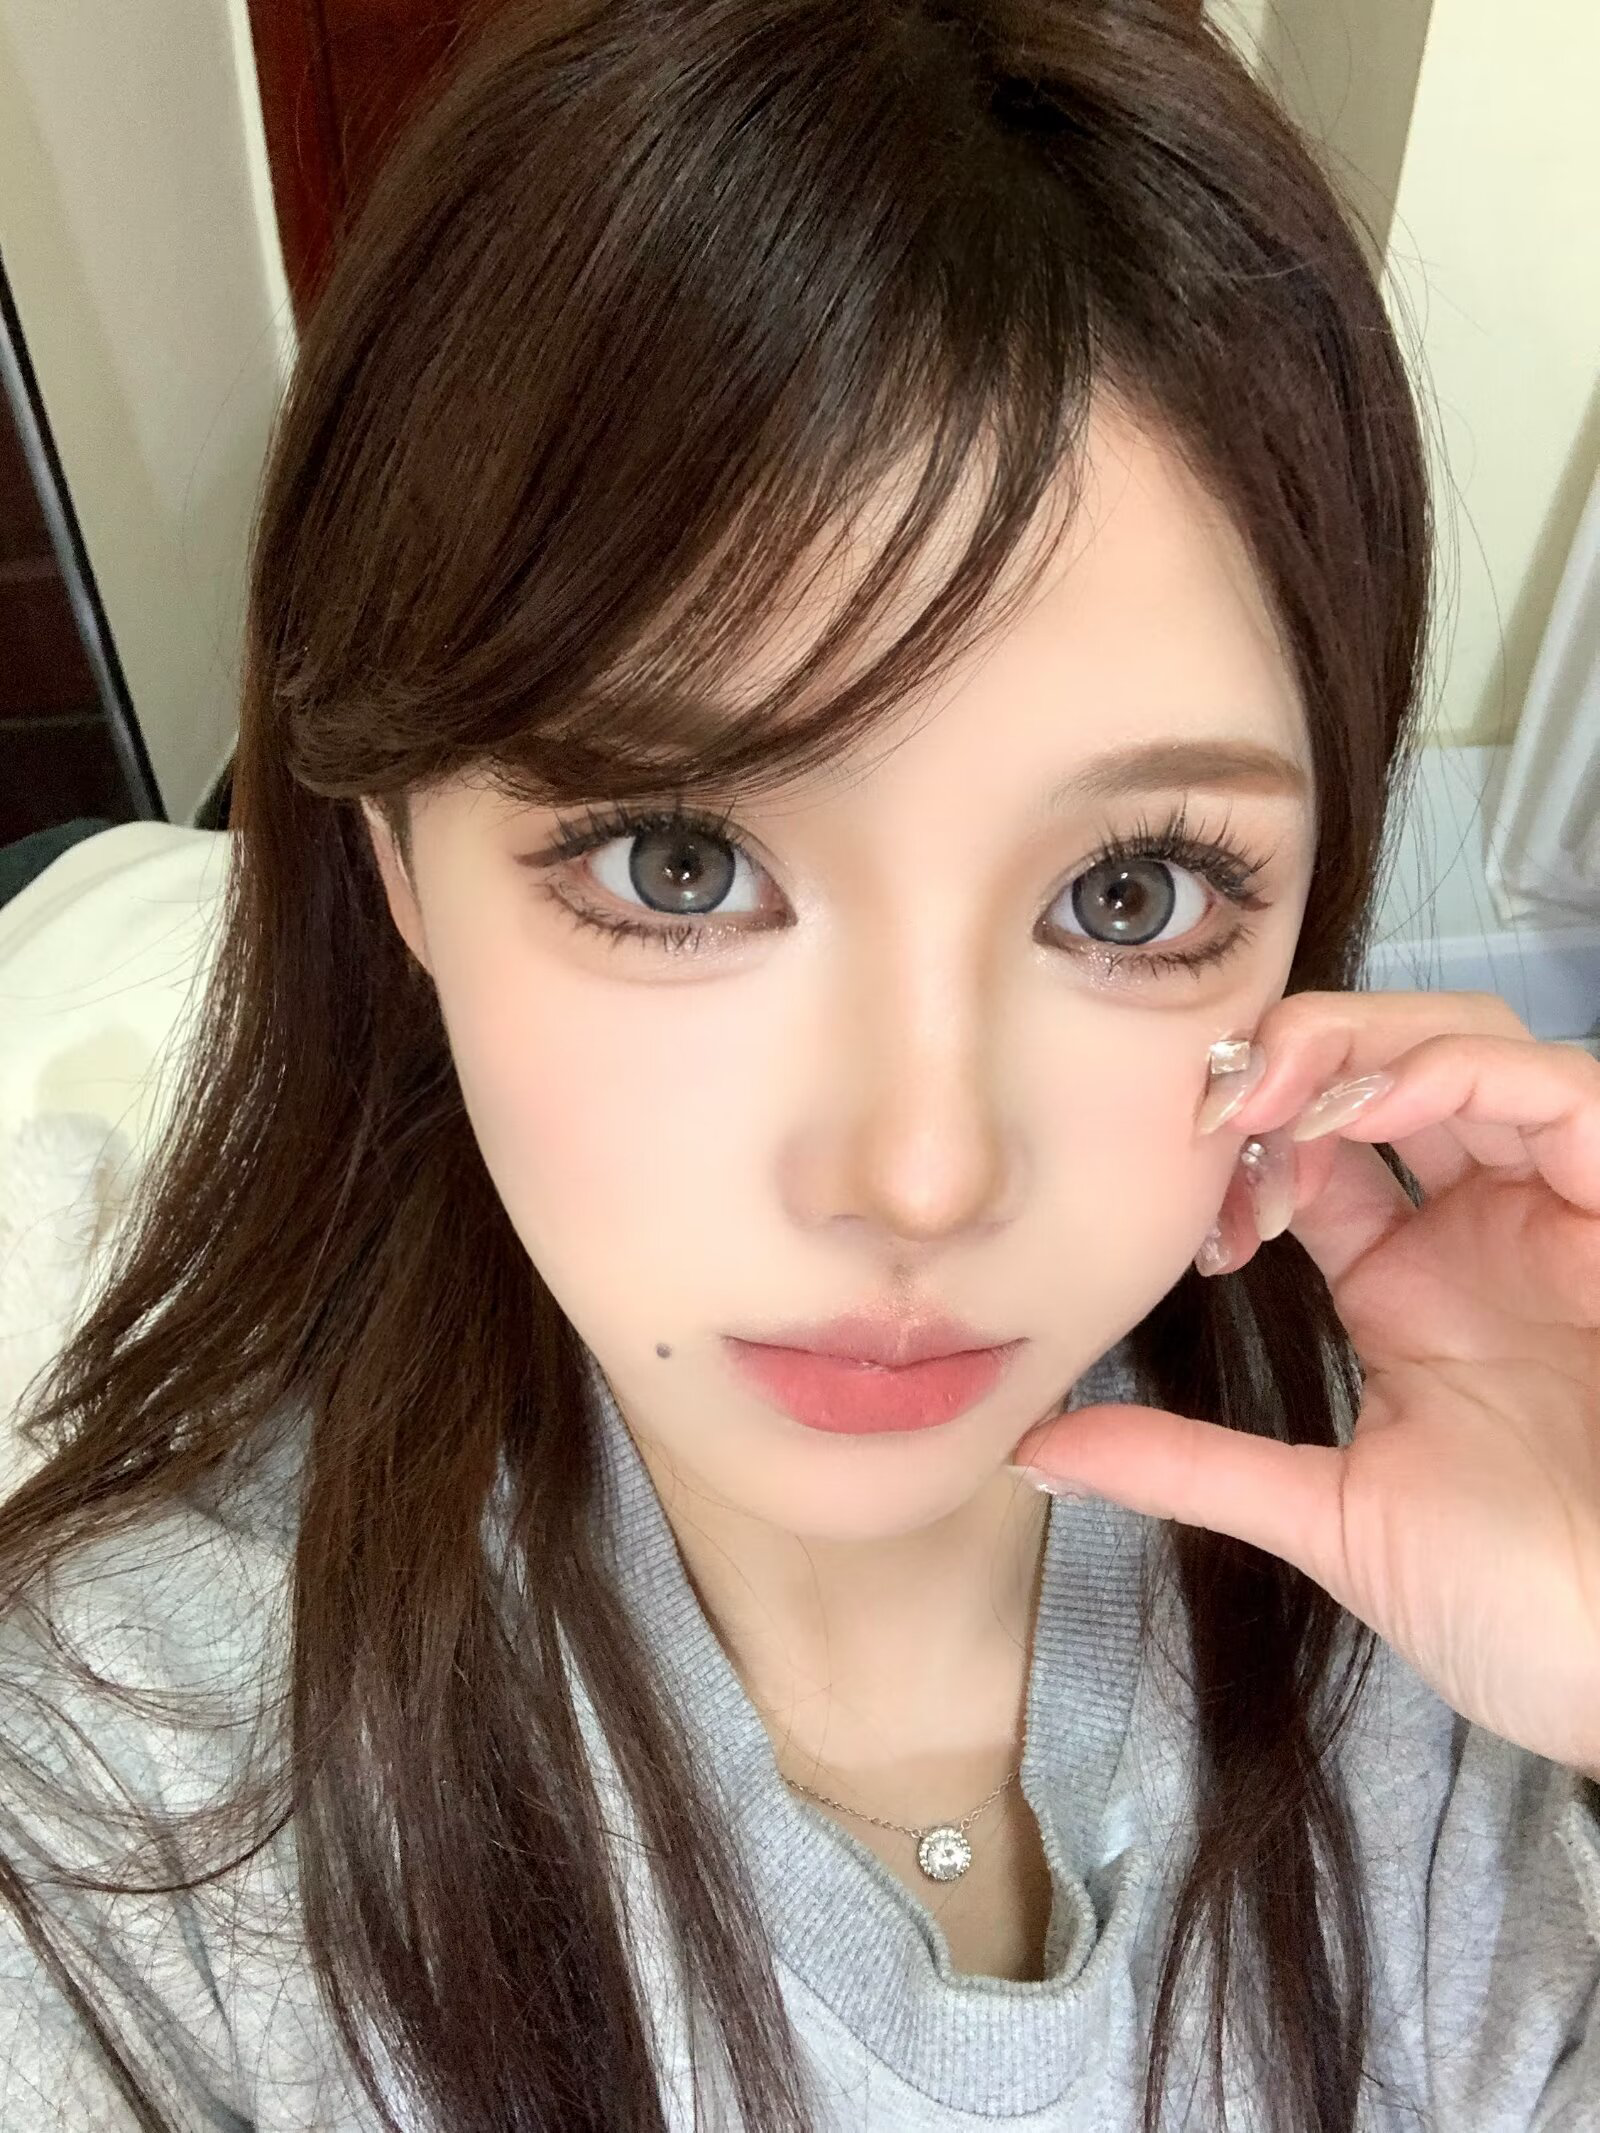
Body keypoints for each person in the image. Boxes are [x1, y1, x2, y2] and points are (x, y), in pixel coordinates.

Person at [0, 1, 1595, 2127]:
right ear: (390, 856)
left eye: (1129, 892)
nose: (920, 1174)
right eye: (679, 863)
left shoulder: (1452, 1548)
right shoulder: (123, 1809)